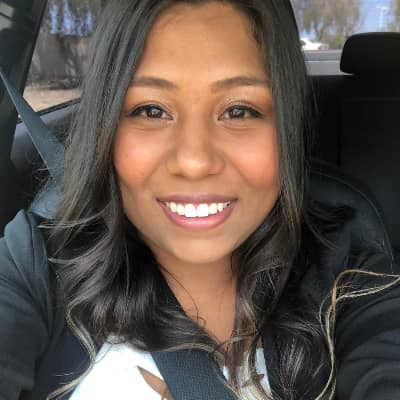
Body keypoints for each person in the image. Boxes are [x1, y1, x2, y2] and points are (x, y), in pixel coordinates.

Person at [1, 1, 400, 399]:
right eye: (151, 110)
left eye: (239, 111)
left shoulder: (350, 272)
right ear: (106, 127)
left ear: (286, 129)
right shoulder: (39, 264)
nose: (194, 161)